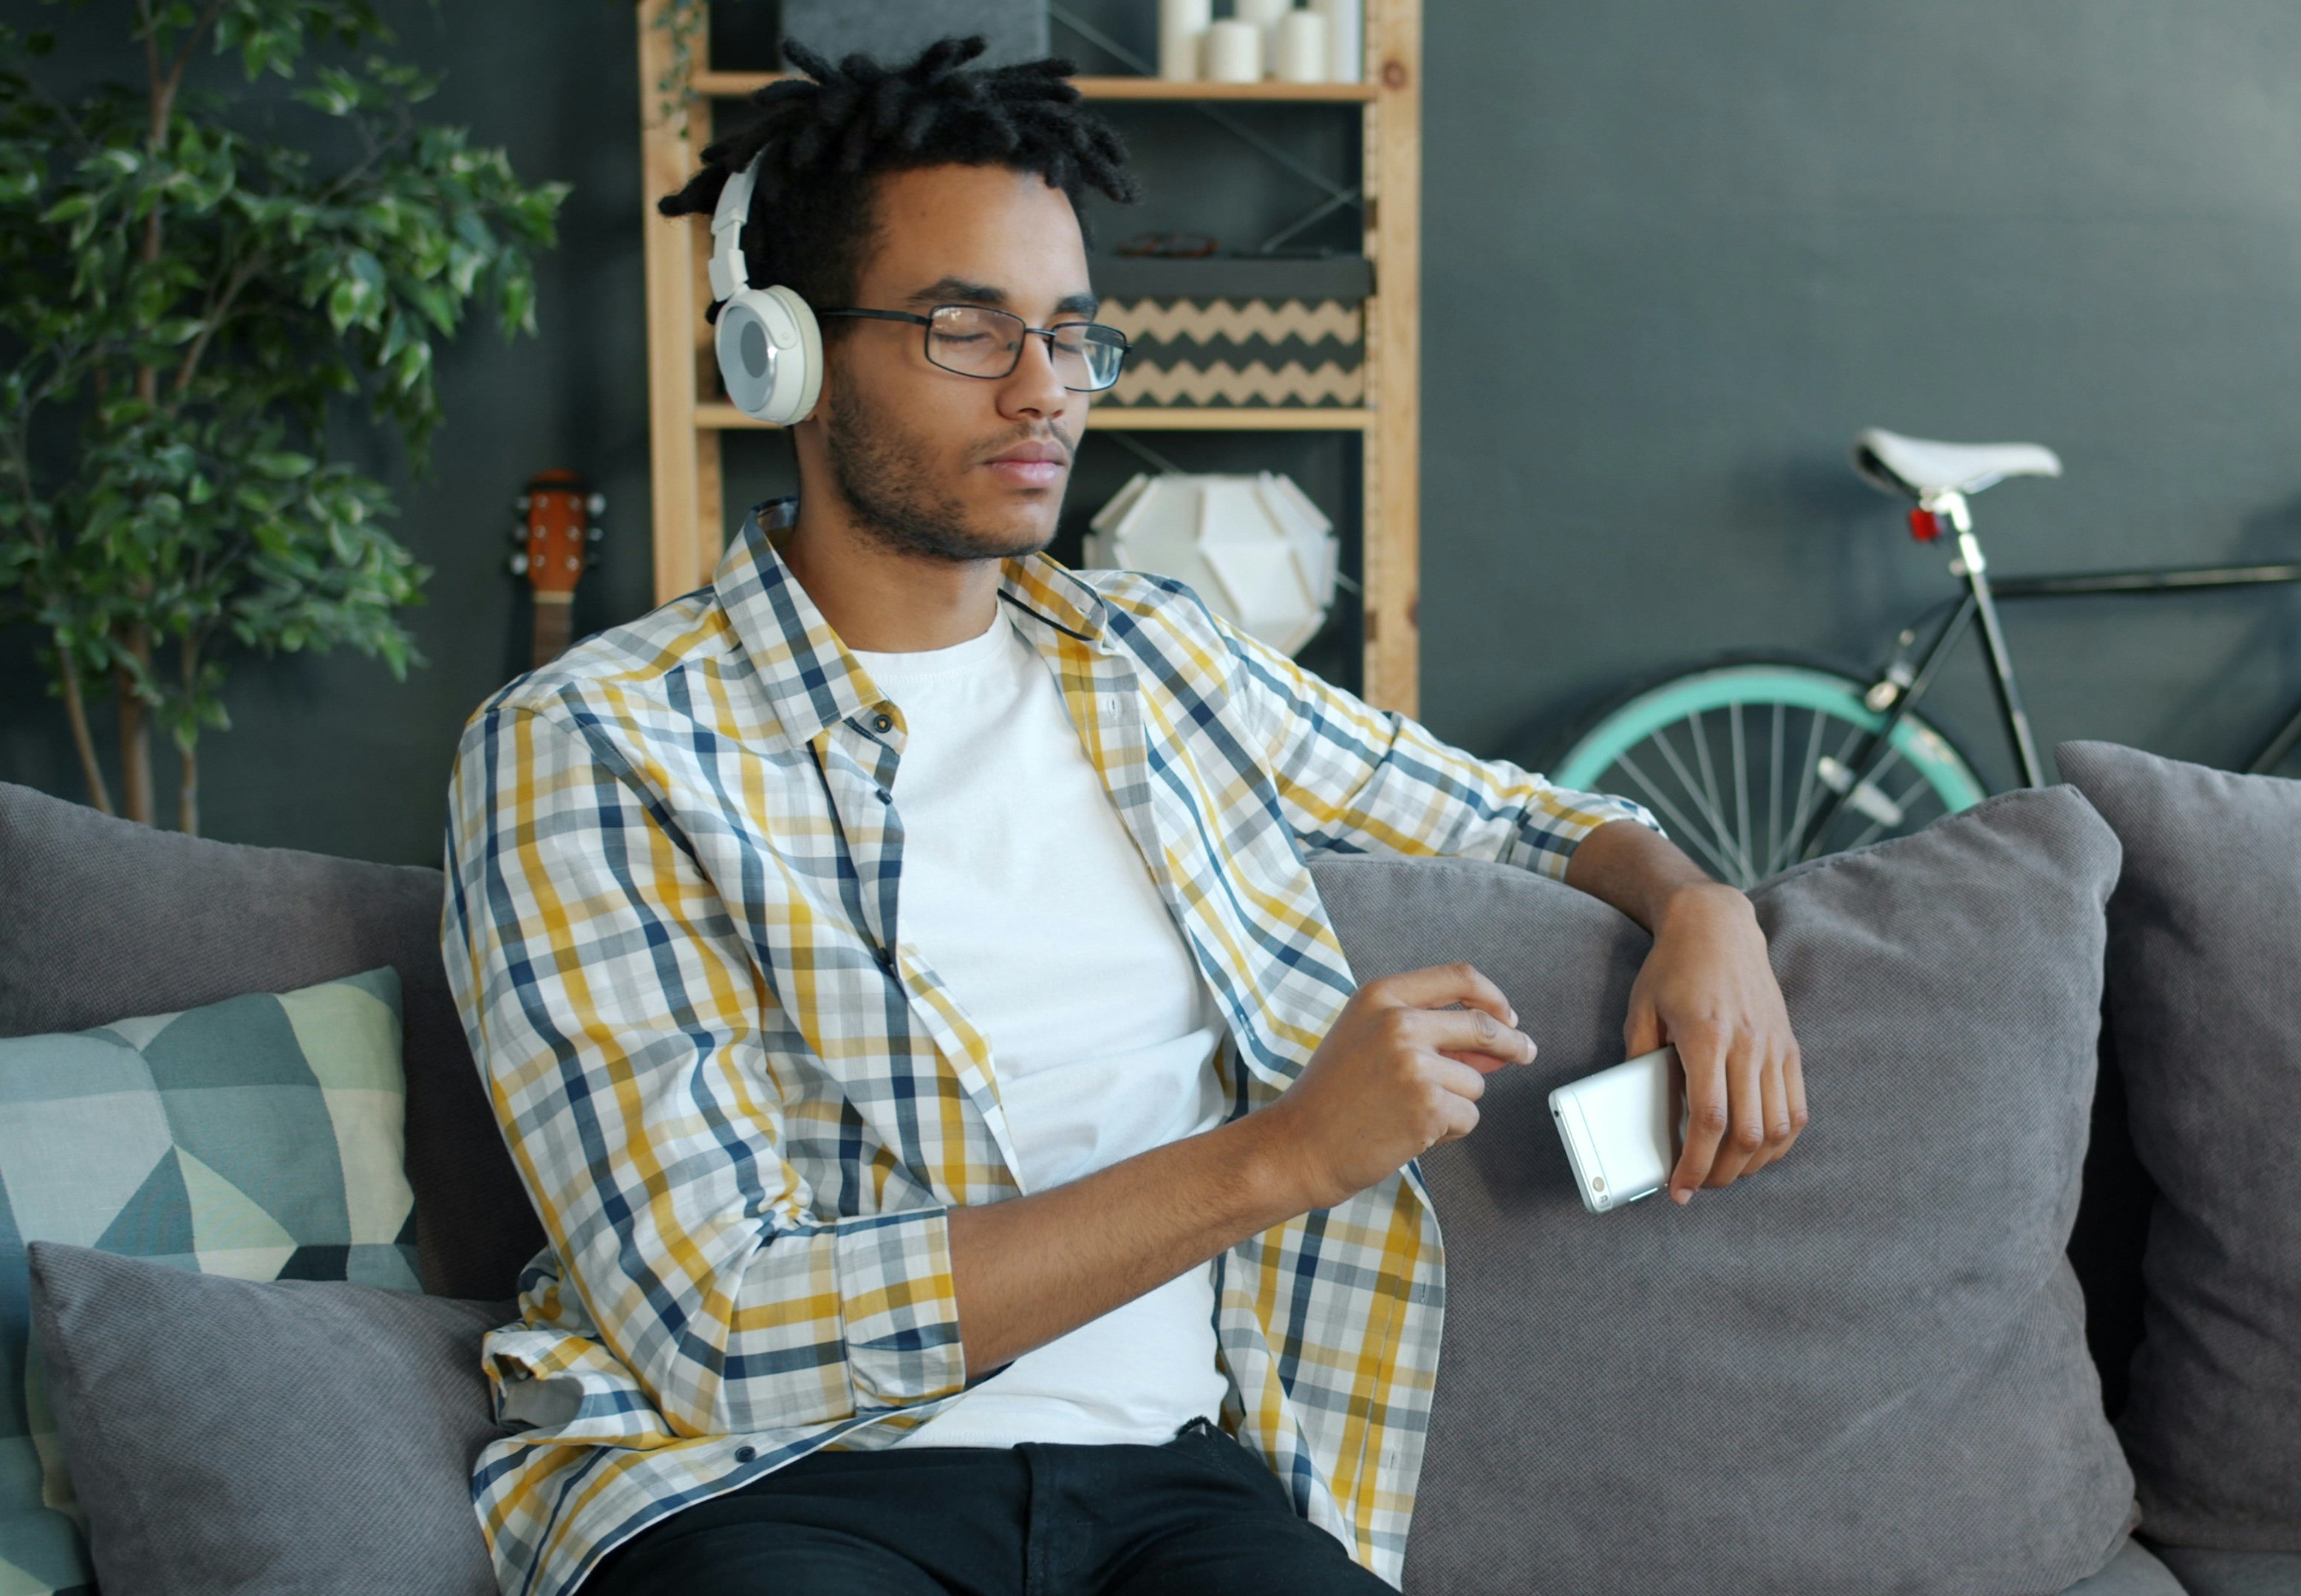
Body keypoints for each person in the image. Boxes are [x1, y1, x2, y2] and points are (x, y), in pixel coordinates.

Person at [440, 35, 1804, 1596]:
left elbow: (1516, 816)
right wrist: (1283, 1156)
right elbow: (722, 1323)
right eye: (969, 331)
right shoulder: (589, 746)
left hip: (1169, 1489)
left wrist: (1703, 907)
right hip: (760, 1492)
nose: (1045, 393)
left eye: (1073, 336)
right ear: (786, 356)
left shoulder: (1152, 654)